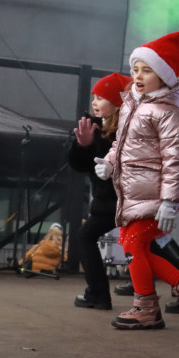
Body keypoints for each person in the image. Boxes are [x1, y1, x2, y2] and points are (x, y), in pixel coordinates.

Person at [95, 31, 179, 331]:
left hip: (151, 194)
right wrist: (109, 164)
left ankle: (147, 306)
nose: (137, 75)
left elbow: (175, 159)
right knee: (139, 248)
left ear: (163, 75)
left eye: (147, 70)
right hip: (132, 192)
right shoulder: (134, 105)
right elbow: (120, 144)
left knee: (134, 245)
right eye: (136, 69)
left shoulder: (167, 112)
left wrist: (170, 201)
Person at [69, 72, 132, 310]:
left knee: (86, 236)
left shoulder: (127, 127)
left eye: (100, 97)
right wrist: (82, 145)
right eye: (93, 97)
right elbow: (80, 165)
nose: (94, 102)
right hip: (111, 201)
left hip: (121, 200)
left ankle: (98, 294)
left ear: (117, 102)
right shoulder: (93, 126)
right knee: (148, 244)